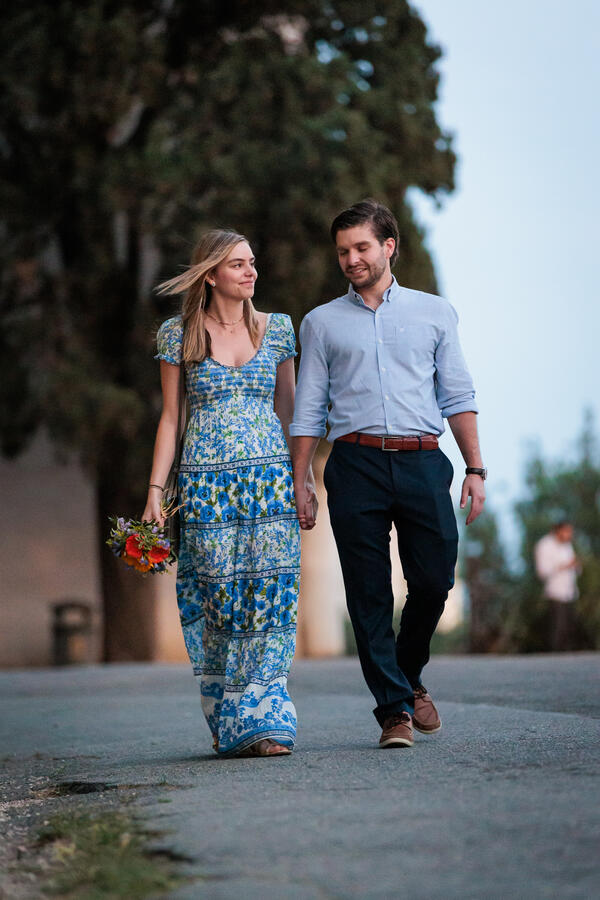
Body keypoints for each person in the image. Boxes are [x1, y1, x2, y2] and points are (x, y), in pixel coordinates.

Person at [290, 199, 485, 749]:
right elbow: (308, 410)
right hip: (355, 465)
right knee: (368, 592)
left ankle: (408, 674)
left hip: (424, 460)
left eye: (361, 248)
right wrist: (302, 479)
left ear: (388, 246)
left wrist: (475, 467)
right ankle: (394, 710)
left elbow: (458, 395)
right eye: (343, 251)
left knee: (433, 579)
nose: (351, 259)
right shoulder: (322, 323)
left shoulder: (435, 313)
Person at [143, 229, 301, 758]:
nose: (250, 271)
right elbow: (171, 420)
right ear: (211, 275)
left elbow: (289, 412)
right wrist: (156, 492)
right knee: (219, 596)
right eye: (237, 264)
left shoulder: (277, 330)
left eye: (252, 262)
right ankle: (226, 713)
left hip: (270, 485)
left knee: (269, 596)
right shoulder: (179, 335)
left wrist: (302, 480)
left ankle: (265, 720)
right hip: (206, 486)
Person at [534, 521, 581, 651]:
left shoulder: (567, 546)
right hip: (555, 592)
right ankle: (555, 658)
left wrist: (575, 566)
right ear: (559, 531)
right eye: (567, 531)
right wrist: (564, 566)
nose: (569, 535)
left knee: (569, 628)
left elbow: (574, 567)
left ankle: (568, 659)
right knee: (558, 628)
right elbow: (542, 571)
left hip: (570, 591)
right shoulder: (545, 545)